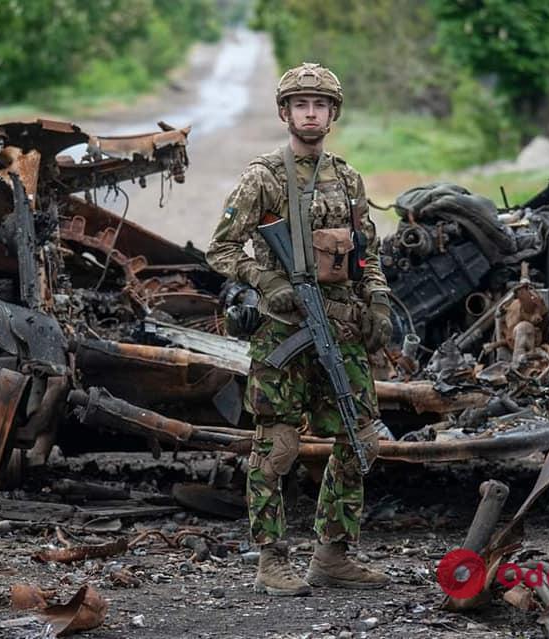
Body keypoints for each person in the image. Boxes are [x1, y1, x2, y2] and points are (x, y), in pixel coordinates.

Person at [206, 62, 393, 596]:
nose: (310, 113)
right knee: (277, 446)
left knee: (361, 441)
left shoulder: (349, 178)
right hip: (283, 331)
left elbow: (367, 254)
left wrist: (377, 301)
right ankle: (271, 559)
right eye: (300, 105)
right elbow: (221, 248)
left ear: (332, 114)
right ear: (285, 113)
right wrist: (265, 279)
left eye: (320, 105)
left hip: (343, 327)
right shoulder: (263, 175)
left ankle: (332, 554)